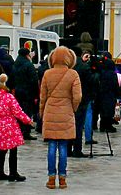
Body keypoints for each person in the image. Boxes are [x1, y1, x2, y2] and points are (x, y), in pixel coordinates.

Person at [40, 46, 82, 190]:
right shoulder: (73, 74)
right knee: (63, 146)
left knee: (52, 146)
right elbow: (78, 96)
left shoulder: (47, 73)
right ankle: (62, 179)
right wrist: (73, 108)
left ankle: (51, 178)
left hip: (50, 110)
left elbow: (42, 97)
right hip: (66, 110)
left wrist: (42, 112)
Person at [0, 73, 31, 182]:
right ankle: (13, 173)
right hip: (10, 123)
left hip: (0, 125)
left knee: (3, 149)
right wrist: (28, 120)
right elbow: (17, 111)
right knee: (13, 149)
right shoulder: (8, 96)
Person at [11, 47, 38, 140]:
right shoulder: (28, 65)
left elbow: (11, 78)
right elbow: (34, 80)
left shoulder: (15, 64)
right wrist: (36, 94)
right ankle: (26, 132)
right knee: (27, 112)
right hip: (28, 92)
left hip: (18, 92)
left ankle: (18, 130)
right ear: (27, 55)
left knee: (19, 111)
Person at [96, 53, 119, 133]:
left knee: (103, 111)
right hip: (110, 95)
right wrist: (117, 94)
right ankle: (108, 126)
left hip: (101, 94)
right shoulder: (113, 74)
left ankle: (102, 126)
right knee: (109, 111)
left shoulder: (101, 73)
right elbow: (115, 85)